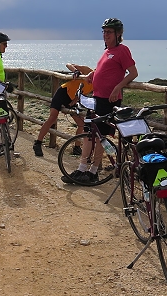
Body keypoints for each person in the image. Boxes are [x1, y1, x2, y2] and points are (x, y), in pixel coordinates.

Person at [61, 18, 138, 183]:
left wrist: (118, 87)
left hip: (109, 100)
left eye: (109, 32)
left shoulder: (122, 50)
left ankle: (94, 171)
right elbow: (106, 69)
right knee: (90, 133)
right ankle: (82, 169)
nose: (105, 35)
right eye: (104, 31)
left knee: (100, 136)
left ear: (118, 34)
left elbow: (133, 73)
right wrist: (93, 73)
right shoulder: (107, 51)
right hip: (97, 98)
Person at [33, 63, 94, 157]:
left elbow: (81, 93)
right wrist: (75, 71)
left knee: (81, 123)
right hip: (63, 92)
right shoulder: (88, 71)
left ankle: (77, 147)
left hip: (72, 99)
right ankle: (38, 143)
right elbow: (68, 64)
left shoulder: (96, 84)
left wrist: (71, 104)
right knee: (52, 118)